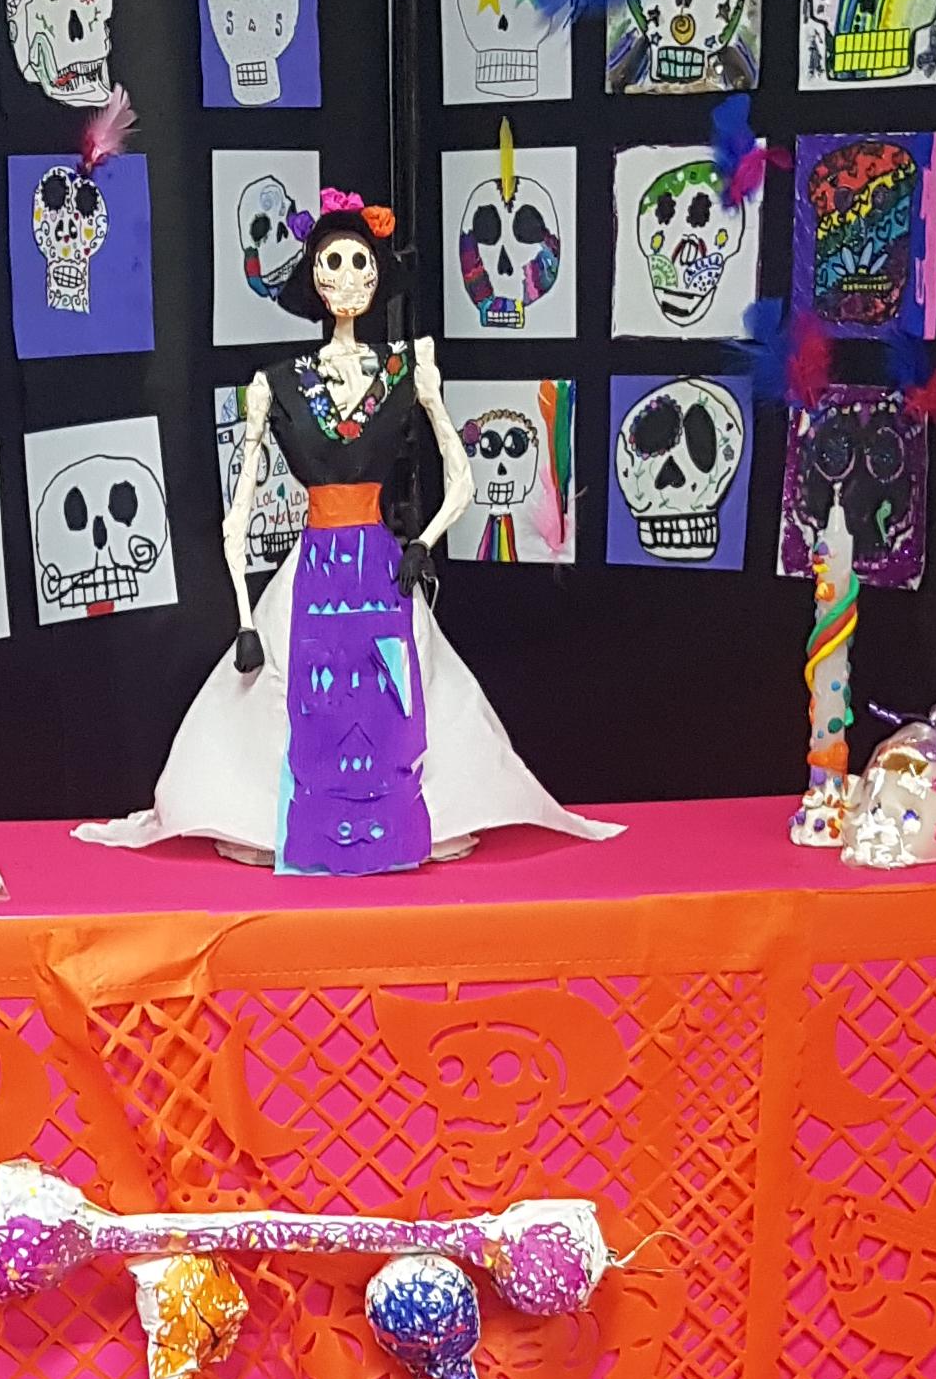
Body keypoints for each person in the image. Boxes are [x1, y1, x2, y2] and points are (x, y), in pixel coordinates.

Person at [76, 190, 617, 872]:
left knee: (402, 688)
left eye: (361, 261)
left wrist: (424, 542)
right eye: (332, 261)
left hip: (383, 567)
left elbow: (462, 477)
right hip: (313, 566)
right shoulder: (277, 383)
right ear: (312, 275)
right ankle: (279, 819)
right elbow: (237, 512)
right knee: (295, 693)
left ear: (378, 273)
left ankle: (413, 818)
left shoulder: (409, 369)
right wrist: (244, 618)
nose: (348, 276)